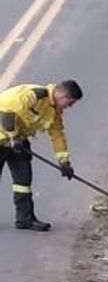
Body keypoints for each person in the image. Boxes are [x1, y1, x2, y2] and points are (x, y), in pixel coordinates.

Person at [0, 81, 82, 232]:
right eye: (69, 103)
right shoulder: (33, 96)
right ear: (62, 96)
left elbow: (57, 135)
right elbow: (6, 113)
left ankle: (25, 219)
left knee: (23, 182)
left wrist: (64, 162)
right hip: (4, 137)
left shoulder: (54, 111)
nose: (69, 107)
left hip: (18, 141)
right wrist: (13, 136)